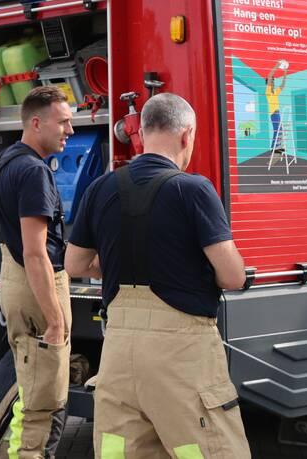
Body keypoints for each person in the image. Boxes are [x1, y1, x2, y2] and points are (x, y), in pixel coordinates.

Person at [65, 92, 251, 458]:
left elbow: (75, 265)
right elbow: (232, 276)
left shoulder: (101, 188)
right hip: (180, 354)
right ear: (187, 135)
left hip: (118, 351)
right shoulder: (192, 189)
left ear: (143, 133)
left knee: (122, 450)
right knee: (208, 450)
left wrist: (122, 264)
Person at [0, 86, 74, 459]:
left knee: (30, 393)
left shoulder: (7, 161)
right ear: (36, 123)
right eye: (63, 122)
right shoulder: (34, 172)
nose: (69, 130)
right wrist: (55, 321)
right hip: (37, 286)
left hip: (16, 280)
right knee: (46, 402)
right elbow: (36, 253)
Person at [266, 60, 288, 153]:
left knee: (280, 130)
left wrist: (285, 73)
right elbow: (270, 76)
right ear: (268, 83)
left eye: (273, 81)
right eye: (271, 81)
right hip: (274, 114)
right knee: (277, 130)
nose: (273, 82)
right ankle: (274, 148)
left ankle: (277, 147)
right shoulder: (267, 91)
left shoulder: (275, 92)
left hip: (278, 113)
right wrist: (277, 65)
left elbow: (282, 86)